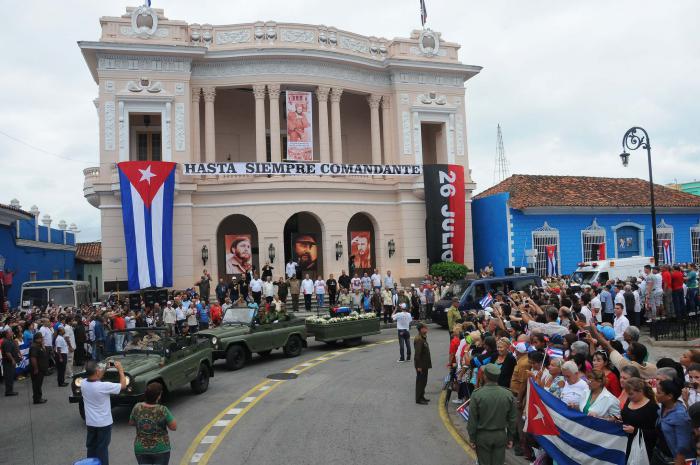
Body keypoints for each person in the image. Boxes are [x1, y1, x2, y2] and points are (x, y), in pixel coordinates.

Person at [467, 364, 517, 465]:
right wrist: (510, 437)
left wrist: (472, 438)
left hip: (483, 436)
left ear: (485, 376)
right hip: (500, 435)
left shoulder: (477, 394)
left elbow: (472, 420)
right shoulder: (508, 394)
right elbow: (512, 419)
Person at [82, 360, 127, 465]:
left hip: (90, 422)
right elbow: (123, 385)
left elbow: (96, 377)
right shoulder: (104, 386)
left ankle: (91, 463)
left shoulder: (83, 383)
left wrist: (105, 368)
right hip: (103, 423)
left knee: (91, 446)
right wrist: (120, 370)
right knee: (102, 448)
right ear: (97, 372)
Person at [129, 382, 177, 465]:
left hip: (141, 448)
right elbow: (174, 427)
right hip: (160, 448)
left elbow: (131, 422)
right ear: (158, 396)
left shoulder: (137, 407)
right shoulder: (162, 410)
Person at [654, 379, 694, 464]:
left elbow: (683, 445)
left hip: (672, 459)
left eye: (658, 392)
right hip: (659, 454)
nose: (656, 394)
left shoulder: (680, 416)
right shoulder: (663, 406)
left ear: (669, 396)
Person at [621, 377, 658, 462]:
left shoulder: (652, 407)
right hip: (626, 444)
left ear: (641, 391)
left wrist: (636, 431)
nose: (629, 397)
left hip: (643, 449)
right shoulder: (629, 400)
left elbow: (656, 433)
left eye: (631, 394)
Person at [413, 323, 431, 405]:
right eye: (425, 328)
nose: (426, 329)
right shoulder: (419, 339)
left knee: (424, 381)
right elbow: (417, 354)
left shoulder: (423, 337)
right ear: (421, 329)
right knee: (420, 382)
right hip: (421, 365)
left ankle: (422, 396)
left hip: (425, 364)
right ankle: (419, 399)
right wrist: (419, 366)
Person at [29, 332, 49, 404]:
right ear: (37, 339)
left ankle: (39, 397)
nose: (42, 339)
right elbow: (33, 358)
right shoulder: (34, 346)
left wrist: (43, 346)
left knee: (39, 384)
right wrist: (36, 368)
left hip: (41, 368)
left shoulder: (40, 345)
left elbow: (45, 354)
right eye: (41, 338)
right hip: (38, 369)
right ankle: (37, 399)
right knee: (36, 384)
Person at [1, 328, 19, 396]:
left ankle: (10, 390)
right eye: (10, 332)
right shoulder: (6, 342)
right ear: (7, 334)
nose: (12, 333)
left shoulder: (10, 340)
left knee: (11, 376)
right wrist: (12, 360)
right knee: (9, 376)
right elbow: (8, 353)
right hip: (8, 362)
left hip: (9, 361)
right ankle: (8, 391)